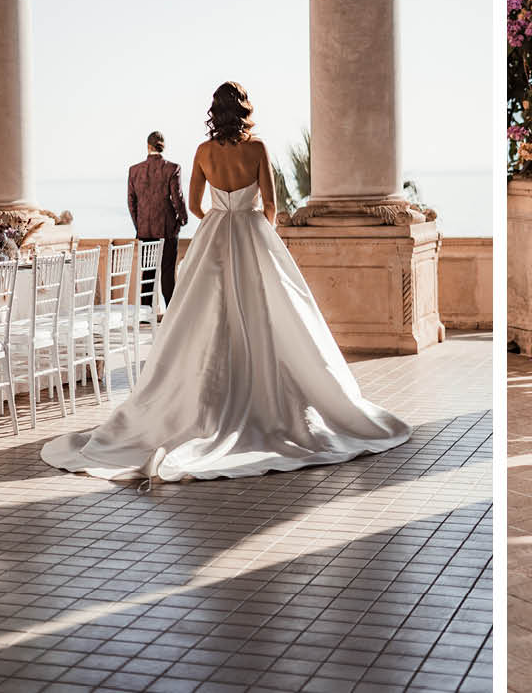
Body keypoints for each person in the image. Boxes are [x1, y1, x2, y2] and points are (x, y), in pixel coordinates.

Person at [42, 82, 411, 482]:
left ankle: (203, 404)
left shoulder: (202, 152)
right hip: (253, 232)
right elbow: (271, 203)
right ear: (244, 111)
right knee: (271, 313)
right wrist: (256, 229)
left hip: (216, 232)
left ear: (214, 113)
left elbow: (196, 205)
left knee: (202, 317)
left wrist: (222, 215)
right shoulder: (257, 149)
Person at [127, 131, 186, 307]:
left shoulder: (134, 170)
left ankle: (146, 314)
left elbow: (131, 202)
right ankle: (171, 313)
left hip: (145, 230)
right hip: (167, 228)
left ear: (148, 146)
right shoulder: (172, 168)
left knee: (148, 273)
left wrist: (140, 225)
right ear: (163, 146)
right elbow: (178, 198)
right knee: (168, 272)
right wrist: (182, 220)